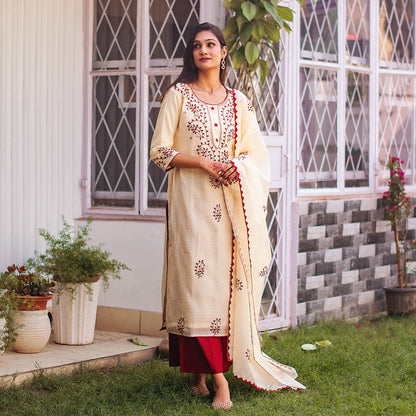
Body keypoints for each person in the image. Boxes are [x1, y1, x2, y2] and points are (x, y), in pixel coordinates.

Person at [150, 22, 305, 410]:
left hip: (230, 211)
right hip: (191, 207)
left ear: (223, 52)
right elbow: (160, 151)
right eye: (197, 46)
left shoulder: (239, 102)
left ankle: (201, 376)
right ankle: (221, 382)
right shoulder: (178, 95)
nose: (204, 50)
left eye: (211, 44)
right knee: (196, 286)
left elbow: (258, 155)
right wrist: (202, 161)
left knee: (221, 290)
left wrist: (239, 165)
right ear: (192, 54)